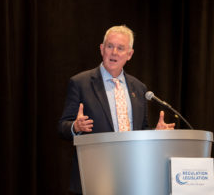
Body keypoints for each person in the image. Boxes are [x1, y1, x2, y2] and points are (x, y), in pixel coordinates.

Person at [59, 25, 175, 194]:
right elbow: (62, 127)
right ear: (101, 49)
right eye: (110, 46)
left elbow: (140, 131)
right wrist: (75, 127)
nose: (114, 52)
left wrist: (156, 134)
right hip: (95, 177)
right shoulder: (81, 83)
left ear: (129, 54)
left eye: (120, 48)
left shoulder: (139, 88)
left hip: (133, 175)